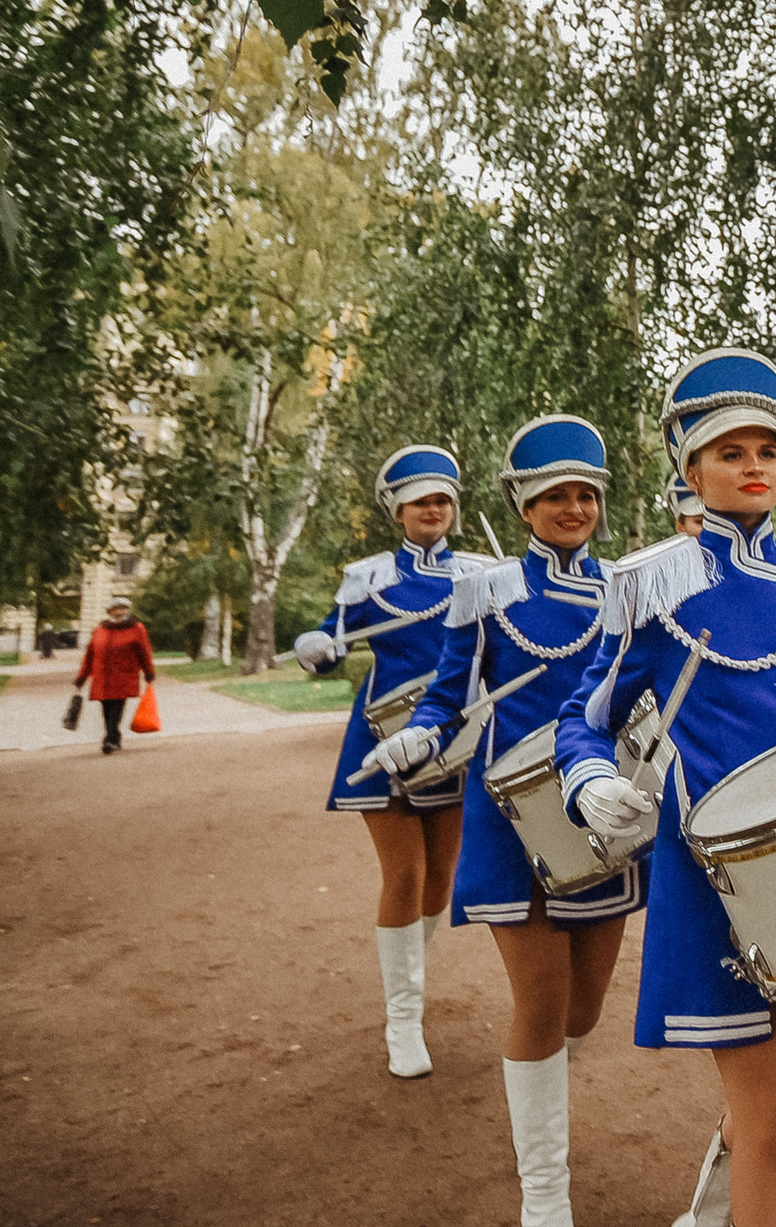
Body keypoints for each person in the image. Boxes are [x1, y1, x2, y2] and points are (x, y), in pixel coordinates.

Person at [557, 352, 776, 1227]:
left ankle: (713, 1213)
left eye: (767, 451)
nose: (754, 466)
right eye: (729, 451)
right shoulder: (653, 580)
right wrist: (591, 778)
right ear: (691, 470)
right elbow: (582, 714)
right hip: (717, 876)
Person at [365, 415, 641, 1227]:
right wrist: (423, 729)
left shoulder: (626, 590)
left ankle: (542, 1084)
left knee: (583, 1012)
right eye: (556, 495)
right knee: (540, 1002)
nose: (574, 507)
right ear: (525, 505)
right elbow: (452, 695)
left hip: (601, 814)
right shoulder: (483, 592)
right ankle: (545, 1194)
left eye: (586, 494)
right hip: (513, 817)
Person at [288, 445, 497, 1080]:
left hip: (455, 739)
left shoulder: (482, 573)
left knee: (440, 879)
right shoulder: (370, 579)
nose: (433, 510)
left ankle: (407, 966)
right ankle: (402, 1016)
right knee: (404, 876)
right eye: (420, 502)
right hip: (383, 737)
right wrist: (315, 645)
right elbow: (329, 641)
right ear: (398, 512)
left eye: (442, 501)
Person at [75, 596, 156, 754]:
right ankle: (114, 736)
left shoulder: (136, 628)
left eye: (123, 608)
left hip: (123, 676)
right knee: (106, 708)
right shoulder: (100, 629)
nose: (120, 612)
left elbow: (144, 651)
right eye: (116, 609)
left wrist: (149, 672)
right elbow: (90, 655)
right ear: (110, 611)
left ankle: (110, 739)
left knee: (117, 707)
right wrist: (81, 677)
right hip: (102, 678)